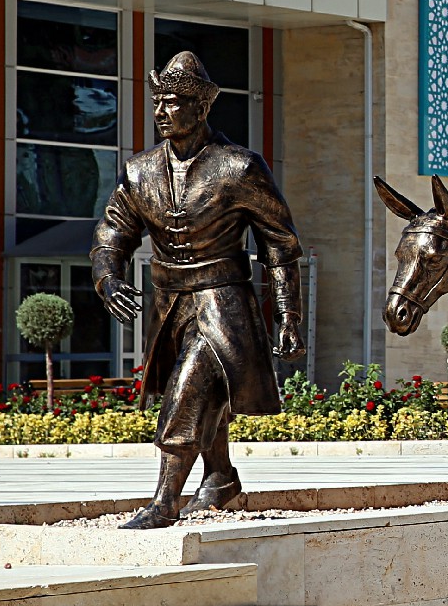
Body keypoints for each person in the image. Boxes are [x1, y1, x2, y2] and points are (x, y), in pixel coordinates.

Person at [91, 52, 304, 528]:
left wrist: (288, 317)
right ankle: (221, 477)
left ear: (201, 107)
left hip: (222, 301)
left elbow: (281, 245)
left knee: (187, 392)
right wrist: (108, 277)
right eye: (158, 102)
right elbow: (112, 235)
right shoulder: (138, 172)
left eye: (174, 102)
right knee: (202, 390)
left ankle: (165, 501)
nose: (162, 111)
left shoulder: (239, 168)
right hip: (168, 305)